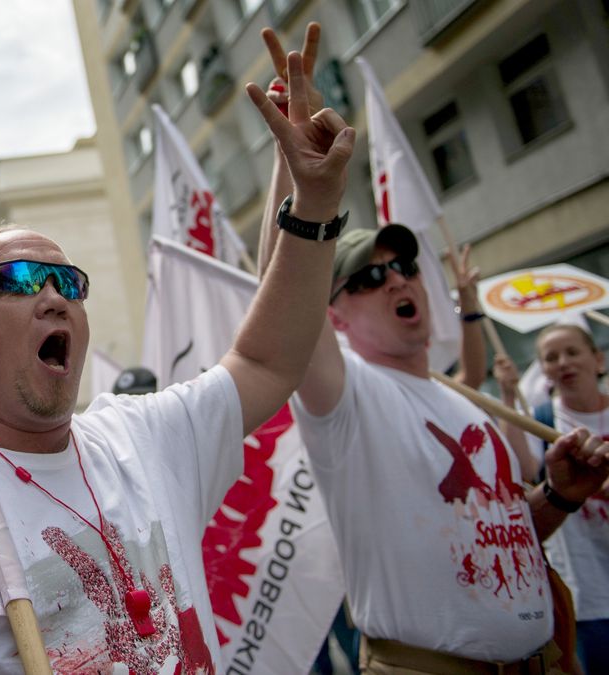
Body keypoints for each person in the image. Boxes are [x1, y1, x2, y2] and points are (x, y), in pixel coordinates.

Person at [0, 35, 355, 673]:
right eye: (17, 280)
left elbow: (267, 362)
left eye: (68, 283)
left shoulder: (143, 441)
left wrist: (314, 205)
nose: (54, 297)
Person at [256, 24, 609, 674]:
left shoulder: (468, 406)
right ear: (332, 315)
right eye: (367, 278)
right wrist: (296, 168)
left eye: (404, 266)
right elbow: (280, 307)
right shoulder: (347, 396)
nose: (396, 279)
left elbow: (499, 535)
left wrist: (559, 495)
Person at [495, 323, 609, 673]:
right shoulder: (542, 421)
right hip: (588, 595)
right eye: (551, 357)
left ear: (598, 359)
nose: (563, 363)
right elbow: (523, 472)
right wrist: (508, 396)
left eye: (572, 352)